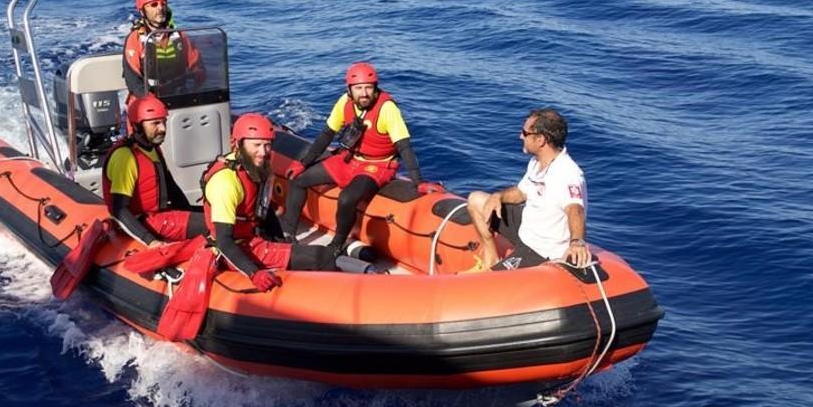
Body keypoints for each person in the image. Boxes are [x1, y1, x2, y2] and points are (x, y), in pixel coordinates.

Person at [280, 62, 443, 255]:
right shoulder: (344, 102)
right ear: (349, 90)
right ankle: (289, 234)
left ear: (375, 88)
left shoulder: (387, 109)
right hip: (349, 159)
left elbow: (404, 146)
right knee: (299, 180)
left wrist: (418, 182)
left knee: (347, 198)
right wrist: (303, 163)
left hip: (377, 165)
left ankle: (336, 245)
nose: (364, 93)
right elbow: (326, 135)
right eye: (358, 88)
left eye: (368, 87)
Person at [202, 113, 337, 291]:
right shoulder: (226, 183)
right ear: (238, 144)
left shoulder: (256, 169)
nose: (263, 152)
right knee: (323, 256)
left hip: (251, 238)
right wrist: (254, 273)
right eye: (256, 145)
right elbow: (224, 242)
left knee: (303, 253)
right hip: (235, 249)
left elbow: (265, 213)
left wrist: (282, 243)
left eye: (267, 145)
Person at [465, 108, 591, 271]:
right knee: (476, 200)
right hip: (527, 227)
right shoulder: (537, 162)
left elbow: (575, 210)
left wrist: (577, 243)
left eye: (525, 133)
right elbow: (521, 192)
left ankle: (494, 271)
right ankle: (491, 259)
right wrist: (498, 196)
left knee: (489, 283)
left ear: (540, 140)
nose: (520, 136)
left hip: (541, 249)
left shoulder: (567, 174)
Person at [101, 95, 206, 247]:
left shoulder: (153, 149)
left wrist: (190, 214)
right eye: (155, 123)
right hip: (145, 222)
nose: (162, 129)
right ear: (137, 126)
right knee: (216, 225)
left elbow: (172, 189)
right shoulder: (125, 157)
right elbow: (119, 210)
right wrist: (151, 241)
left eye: (164, 122)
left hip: (161, 215)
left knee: (221, 217)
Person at [122, 0, 205, 99]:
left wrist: (196, 88)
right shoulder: (135, 39)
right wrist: (149, 99)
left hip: (178, 94)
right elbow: (132, 79)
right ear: (142, 11)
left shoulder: (179, 36)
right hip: (146, 97)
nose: (160, 8)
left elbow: (196, 66)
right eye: (154, 5)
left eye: (163, 4)